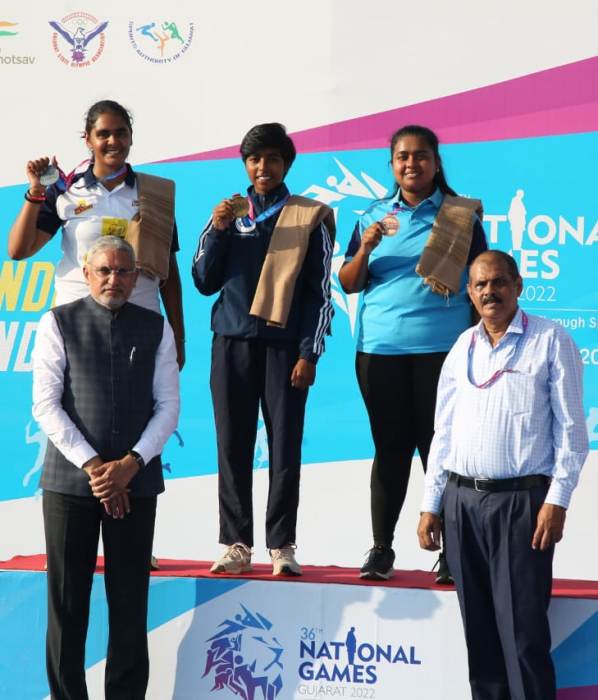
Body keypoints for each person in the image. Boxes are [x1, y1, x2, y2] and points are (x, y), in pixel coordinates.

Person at [417, 250, 588, 700]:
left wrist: (558, 500)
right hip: (461, 505)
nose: (489, 292)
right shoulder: (461, 348)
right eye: (479, 285)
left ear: (518, 286)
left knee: (524, 636)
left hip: (522, 505)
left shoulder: (551, 341)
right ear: (469, 293)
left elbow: (572, 431)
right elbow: (443, 433)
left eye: (497, 282)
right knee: (480, 635)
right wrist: (430, 504)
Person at [32, 236, 180, 699]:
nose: (113, 279)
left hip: (136, 484)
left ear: (136, 277)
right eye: (104, 271)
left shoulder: (157, 327)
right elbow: (46, 406)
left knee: (130, 602)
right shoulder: (57, 322)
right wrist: (99, 468)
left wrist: (131, 465)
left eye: (122, 271)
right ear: (87, 274)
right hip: (69, 485)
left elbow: (168, 407)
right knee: (67, 605)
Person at [339, 124, 487, 581]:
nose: (411, 164)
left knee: (439, 450)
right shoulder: (372, 215)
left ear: (436, 162)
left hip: (442, 351)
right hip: (379, 350)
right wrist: (365, 247)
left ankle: (450, 552)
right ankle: (382, 549)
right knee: (390, 449)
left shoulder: (461, 216)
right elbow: (348, 282)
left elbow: (483, 280)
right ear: (392, 165)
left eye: (421, 156)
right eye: (402, 157)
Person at [192, 123, 334, 576]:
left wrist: (309, 353)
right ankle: (235, 543)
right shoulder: (229, 212)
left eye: (272, 159)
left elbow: (320, 293)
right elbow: (202, 281)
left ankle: (281, 545)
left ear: (286, 164)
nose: (262, 167)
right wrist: (218, 230)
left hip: (284, 349)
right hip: (230, 343)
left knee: (285, 446)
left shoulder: (308, 216)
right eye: (254, 159)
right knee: (232, 444)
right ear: (245, 165)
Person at [7, 98, 185, 369]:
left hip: (140, 318)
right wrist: (36, 192)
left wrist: (178, 338)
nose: (113, 141)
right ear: (88, 140)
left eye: (121, 133)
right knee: (79, 405)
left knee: (138, 407)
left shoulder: (153, 193)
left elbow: (168, 273)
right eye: (103, 134)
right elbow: (18, 251)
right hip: (77, 319)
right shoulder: (65, 189)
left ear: (131, 137)